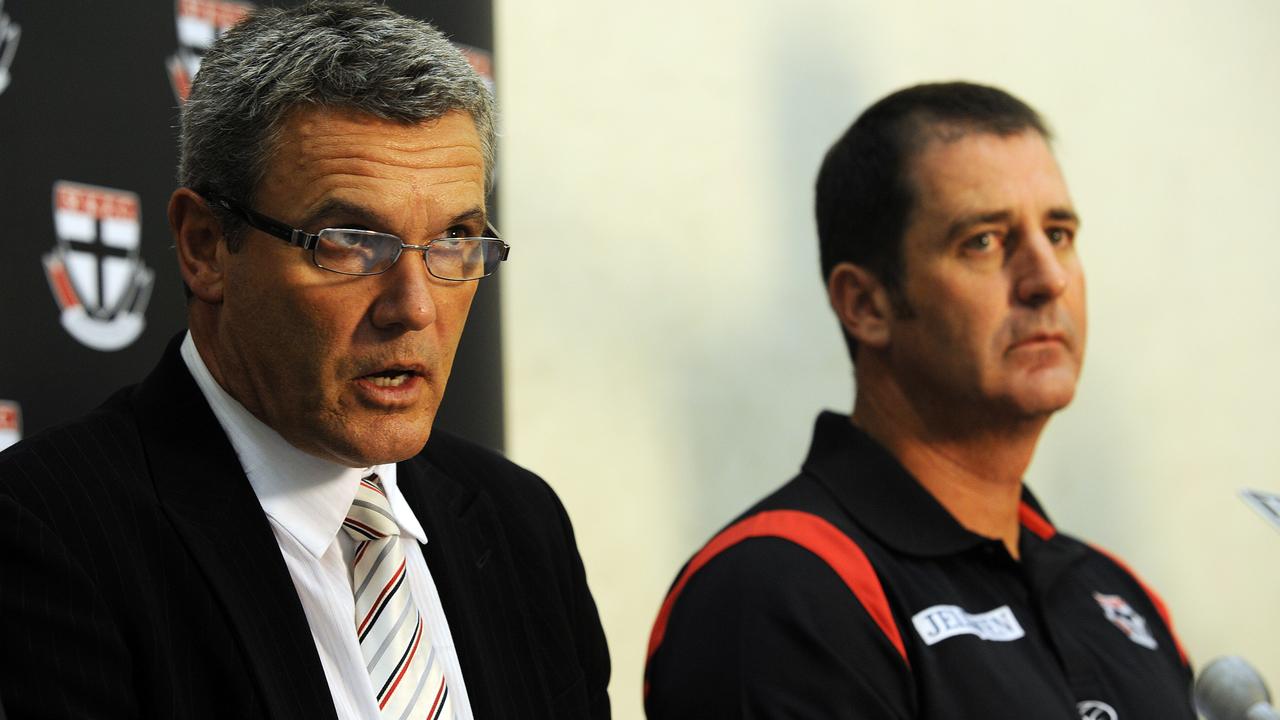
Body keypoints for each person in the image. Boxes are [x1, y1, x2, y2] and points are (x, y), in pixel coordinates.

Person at [0, 2, 610, 719]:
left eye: (454, 238)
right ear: (204, 246)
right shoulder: (47, 534)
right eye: (351, 240)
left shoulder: (520, 523)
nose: (414, 307)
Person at [644, 82, 1194, 719]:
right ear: (866, 305)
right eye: (984, 241)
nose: (1049, 279)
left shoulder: (1117, 594)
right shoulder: (782, 588)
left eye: (1060, 233)